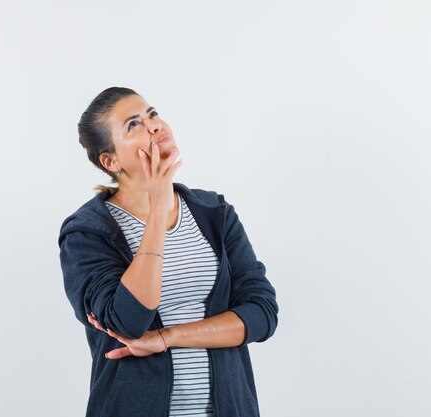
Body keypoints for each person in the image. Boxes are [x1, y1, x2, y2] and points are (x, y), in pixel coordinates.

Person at [58, 87, 279, 417]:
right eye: (134, 125)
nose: (154, 126)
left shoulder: (214, 213)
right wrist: (158, 210)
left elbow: (262, 315)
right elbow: (128, 321)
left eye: (152, 114)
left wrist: (168, 336)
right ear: (111, 160)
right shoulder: (86, 232)